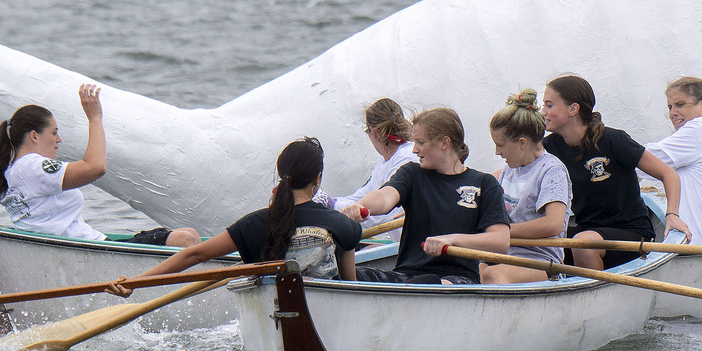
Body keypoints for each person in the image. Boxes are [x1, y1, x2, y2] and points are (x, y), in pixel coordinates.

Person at [0, 85, 198, 247]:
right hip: (88, 247)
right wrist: (95, 119)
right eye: (54, 132)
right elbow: (96, 167)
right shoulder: (33, 167)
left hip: (83, 242)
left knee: (188, 234)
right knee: (187, 239)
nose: (59, 139)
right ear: (34, 136)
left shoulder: (7, 172)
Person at [130, 137, 360, 282]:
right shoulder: (343, 226)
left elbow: (194, 254)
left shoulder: (253, 224)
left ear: (281, 176)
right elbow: (351, 285)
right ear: (318, 179)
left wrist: (134, 282)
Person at [340, 107, 509, 284]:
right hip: (407, 275)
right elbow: (385, 197)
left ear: (445, 143)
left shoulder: (484, 184)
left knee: (427, 282)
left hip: (458, 279)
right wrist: (360, 206)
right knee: (347, 273)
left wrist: (452, 240)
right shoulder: (412, 174)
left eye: (420, 142)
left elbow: (501, 241)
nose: (414, 150)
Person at [541, 74, 689, 270]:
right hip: (586, 232)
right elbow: (509, 171)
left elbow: (668, 174)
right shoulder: (549, 147)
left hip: (632, 235)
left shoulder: (613, 140)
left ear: (573, 109)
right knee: (539, 244)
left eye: (549, 105)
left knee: (583, 245)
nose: (543, 112)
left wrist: (672, 214)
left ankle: (594, 299)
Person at [482, 90, 572, 284]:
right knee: (468, 267)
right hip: (505, 255)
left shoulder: (552, 170)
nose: (497, 152)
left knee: (492, 274)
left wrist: (502, 232)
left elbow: (553, 224)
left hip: (542, 263)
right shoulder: (509, 169)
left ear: (522, 143)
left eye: (500, 145)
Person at [643, 77, 702, 244]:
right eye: (670, 107)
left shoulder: (700, 128)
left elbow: (638, 160)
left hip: (692, 250)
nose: (672, 112)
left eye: (680, 104)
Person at [316, 97, 416, 236]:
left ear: (374, 132)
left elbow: (384, 214)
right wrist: (326, 203)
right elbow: (359, 198)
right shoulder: (382, 164)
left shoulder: (406, 157)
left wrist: (333, 206)